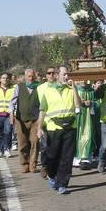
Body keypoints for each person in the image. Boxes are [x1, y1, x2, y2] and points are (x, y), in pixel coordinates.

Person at [36, 66, 77, 194]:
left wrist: (75, 88)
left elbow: (78, 105)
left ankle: (62, 184)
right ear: (57, 76)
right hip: (54, 128)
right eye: (64, 74)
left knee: (67, 157)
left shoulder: (71, 90)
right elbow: (42, 111)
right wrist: (39, 128)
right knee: (52, 156)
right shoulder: (48, 92)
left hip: (70, 127)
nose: (67, 77)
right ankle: (52, 175)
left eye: (67, 74)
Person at [10, 68, 42, 173]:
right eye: (28, 76)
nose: (31, 77)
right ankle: (24, 164)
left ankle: (33, 164)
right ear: (25, 76)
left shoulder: (39, 86)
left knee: (35, 142)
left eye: (32, 75)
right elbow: (12, 101)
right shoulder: (19, 87)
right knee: (22, 143)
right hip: (21, 119)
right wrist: (11, 113)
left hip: (35, 119)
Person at [74, 80, 102, 169]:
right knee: (78, 135)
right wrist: (81, 103)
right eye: (81, 79)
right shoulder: (75, 89)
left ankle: (86, 158)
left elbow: (97, 102)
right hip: (78, 116)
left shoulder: (91, 90)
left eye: (85, 79)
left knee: (89, 135)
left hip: (89, 117)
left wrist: (91, 103)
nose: (84, 81)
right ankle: (77, 158)